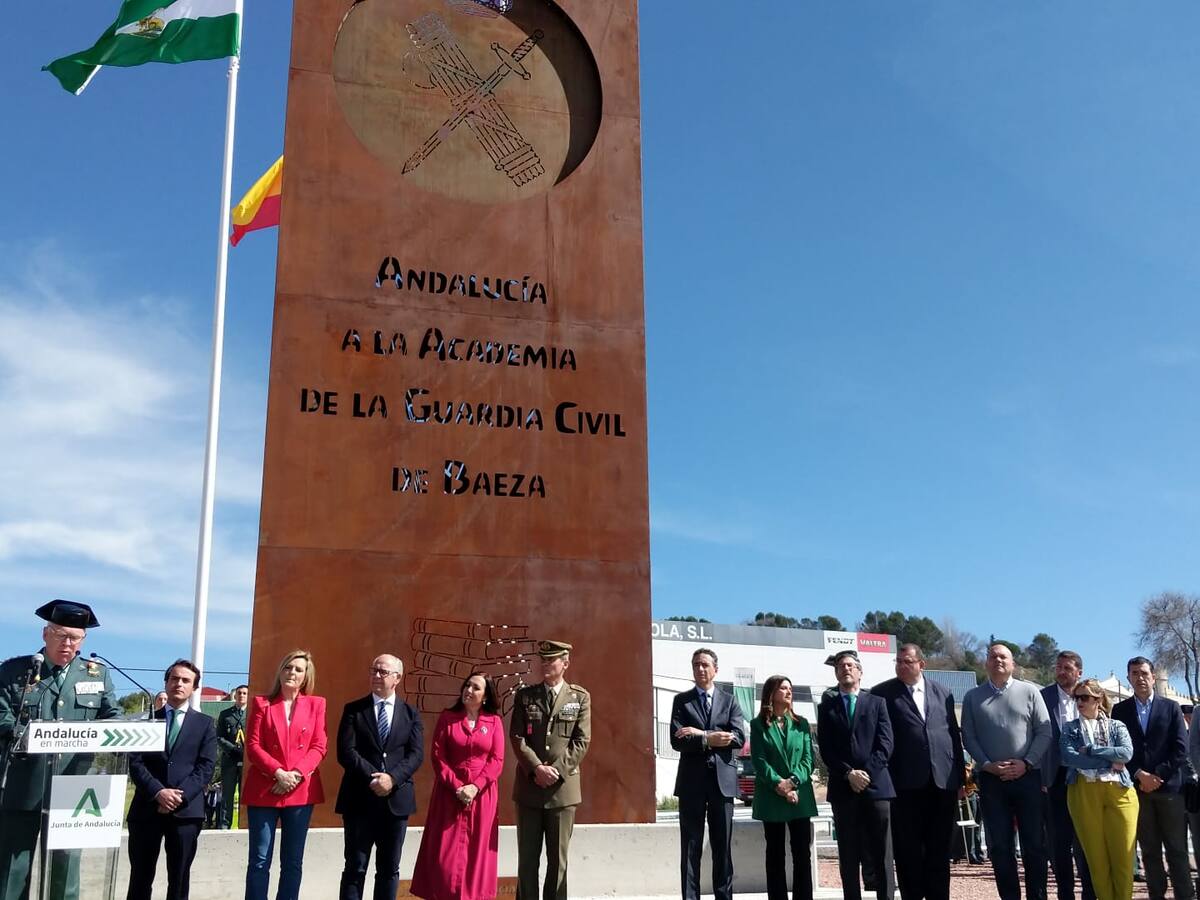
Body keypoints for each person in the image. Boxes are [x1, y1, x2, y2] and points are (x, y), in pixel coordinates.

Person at [0, 600, 119, 900]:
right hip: (23, 783)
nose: (67, 643)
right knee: (12, 869)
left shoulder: (97, 675)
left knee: (65, 869)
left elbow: (112, 718)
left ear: (83, 641)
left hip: (74, 787)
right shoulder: (16, 671)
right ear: (45, 634)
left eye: (74, 637)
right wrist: (26, 735)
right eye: (60, 634)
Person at [960, 642, 1052, 900]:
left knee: (1034, 844)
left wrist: (1027, 762)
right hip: (992, 781)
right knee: (1000, 847)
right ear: (986, 663)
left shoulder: (1031, 691)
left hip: (1028, 777)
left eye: (1004, 657)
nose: (998, 660)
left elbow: (1045, 732)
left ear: (1013, 664)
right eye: (993, 657)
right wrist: (987, 764)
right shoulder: (972, 697)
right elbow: (969, 735)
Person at [872, 643, 963, 900]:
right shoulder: (883, 694)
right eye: (898, 661)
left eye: (907, 661)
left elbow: (953, 736)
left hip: (942, 783)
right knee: (908, 850)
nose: (901, 665)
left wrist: (960, 778)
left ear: (921, 664)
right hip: (905, 784)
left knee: (939, 849)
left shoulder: (943, 693)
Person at [126, 659, 218, 900]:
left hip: (186, 813)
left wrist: (179, 796)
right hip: (146, 810)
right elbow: (135, 762)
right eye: (174, 679)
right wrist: (158, 792)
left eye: (186, 680)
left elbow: (206, 767)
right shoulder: (147, 721)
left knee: (179, 879)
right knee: (140, 878)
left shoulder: (205, 724)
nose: (179, 684)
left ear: (194, 688)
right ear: (166, 683)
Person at [334, 655, 424, 900]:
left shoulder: (410, 714)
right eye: (373, 670)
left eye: (383, 672)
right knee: (355, 867)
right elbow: (346, 752)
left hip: (396, 803)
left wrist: (391, 779)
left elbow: (416, 755)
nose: (376, 675)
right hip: (359, 800)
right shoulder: (354, 710)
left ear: (397, 678)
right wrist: (374, 778)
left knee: (388, 870)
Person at [411, 673, 505, 900]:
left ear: (485, 696)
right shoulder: (448, 717)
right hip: (449, 794)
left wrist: (475, 787)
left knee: (477, 853)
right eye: (467, 685)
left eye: (475, 688)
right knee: (444, 854)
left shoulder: (494, 722)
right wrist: (457, 786)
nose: (469, 690)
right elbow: (438, 756)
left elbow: (497, 760)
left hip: (482, 797)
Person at [242, 650, 327, 900]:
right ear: (280, 671)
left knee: (292, 861)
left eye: (298, 670)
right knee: (259, 860)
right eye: (288, 667)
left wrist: (296, 775)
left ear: (305, 677)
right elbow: (253, 746)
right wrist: (278, 773)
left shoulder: (316, 704)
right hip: (264, 789)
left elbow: (319, 745)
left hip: (300, 791)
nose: (292, 673)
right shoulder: (261, 704)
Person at [509, 640, 591, 900]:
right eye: (542, 660)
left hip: (562, 792)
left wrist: (554, 771)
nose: (545, 665)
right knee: (527, 862)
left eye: (551, 660)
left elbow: (582, 741)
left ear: (565, 663)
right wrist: (536, 769)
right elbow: (517, 737)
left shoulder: (579, 697)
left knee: (558, 862)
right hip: (529, 790)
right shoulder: (525, 696)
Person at [1112, 656, 1192, 900]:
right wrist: (1139, 774)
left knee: (1177, 850)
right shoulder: (1120, 710)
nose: (1140, 677)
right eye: (1134, 673)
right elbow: (1118, 749)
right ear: (1129, 678)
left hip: (1169, 790)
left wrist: (1157, 775)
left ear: (1153, 676)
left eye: (1144, 673)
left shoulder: (1171, 707)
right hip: (1137, 790)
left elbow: (1181, 748)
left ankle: (1185, 895)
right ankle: (1156, 895)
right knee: (1149, 851)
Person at [817, 649, 895, 900]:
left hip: (876, 788)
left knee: (881, 852)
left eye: (850, 665)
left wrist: (866, 774)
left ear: (860, 672)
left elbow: (886, 744)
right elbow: (826, 749)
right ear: (836, 672)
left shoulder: (877, 703)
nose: (846, 668)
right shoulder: (827, 707)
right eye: (841, 666)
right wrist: (849, 773)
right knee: (848, 854)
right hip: (843, 788)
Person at [669, 647, 746, 900]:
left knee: (722, 848)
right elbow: (678, 740)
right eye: (695, 665)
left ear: (715, 669)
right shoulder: (682, 701)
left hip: (722, 784)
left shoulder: (730, 701)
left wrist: (701, 734)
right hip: (691, 784)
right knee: (690, 847)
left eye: (704, 664)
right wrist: (711, 738)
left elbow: (738, 737)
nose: (700, 669)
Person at [1060, 678, 1137, 900]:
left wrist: (1092, 750)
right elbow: (1069, 757)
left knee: (1123, 857)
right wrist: (1107, 760)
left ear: (1098, 699)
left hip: (1120, 791)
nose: (1079, 702)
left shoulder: (1117, 726)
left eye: (1084, 697)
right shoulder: (1070, 728)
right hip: (1083, 791)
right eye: (1077, 698)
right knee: (1096, 860)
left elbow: (1125, 754)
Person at [750, 675, 815, 900]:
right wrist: (780, 784)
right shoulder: (757, 725)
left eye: (790, 688)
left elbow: (809, 759)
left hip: (800, 795)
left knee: (801, 854)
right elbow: (759, 760)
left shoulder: (802, 724)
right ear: (771, 693)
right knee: (775, 854)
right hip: (772, 795)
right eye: (783, 688)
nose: (788, 692)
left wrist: (793, 782)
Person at [1040, 651, 1095, 900]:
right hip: (1054, 777)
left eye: (1067, 668)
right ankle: (1065, 893)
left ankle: (1090, 892)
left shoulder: (1090, 696)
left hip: (1086, 776)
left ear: (1079, 672)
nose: (1061, 671)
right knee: (1058, 842)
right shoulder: (1042, 697)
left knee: (1086, 838)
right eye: (1059, 667)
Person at [216, 685, 249, 829]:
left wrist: (247, 752)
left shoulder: (252, 714)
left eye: (245, 693)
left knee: (245, 794)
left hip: (247, 760)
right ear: (235, 696)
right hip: (230, 759)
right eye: (239, 693)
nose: (242, 695)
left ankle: (244, 824)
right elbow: (219, 737)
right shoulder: (225, 714)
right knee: (227, 795)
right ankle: (224, 825)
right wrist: (232, 749)